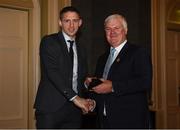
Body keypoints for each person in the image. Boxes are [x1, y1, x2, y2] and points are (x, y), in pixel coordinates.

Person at [85, 14, 152, 128]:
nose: (112, 32)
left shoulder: (138, 52)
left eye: (116, 28)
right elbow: (102, 89)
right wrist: (93, 99)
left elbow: (145, 82)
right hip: (103, 121)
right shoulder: (102, 58)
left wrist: (113, 86)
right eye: (108, 29)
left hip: (129, 121)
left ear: (125, 30)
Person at [34, 6, 94, 129]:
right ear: (60, 23)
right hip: (51, 109)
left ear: (80, 23)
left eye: (75, 21)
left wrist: (87, 86)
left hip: (74, 111)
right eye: (67, 21)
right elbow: (53, 73)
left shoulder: (81, 49)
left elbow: (80, 77)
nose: (71, 25)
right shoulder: (49, 41)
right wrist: (76, 98)